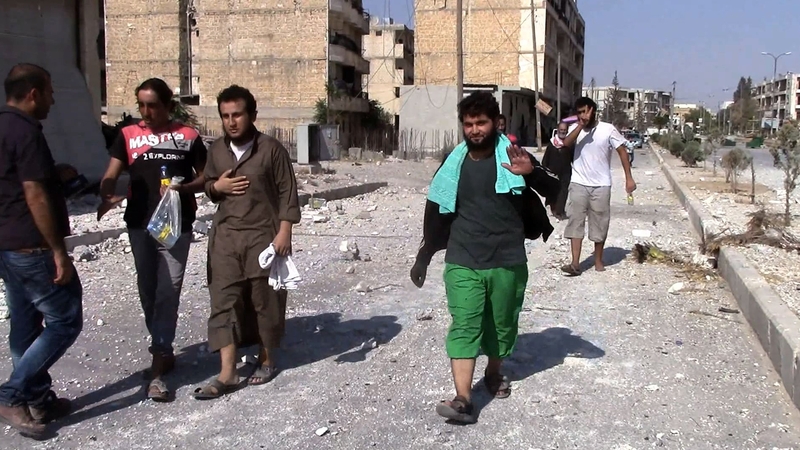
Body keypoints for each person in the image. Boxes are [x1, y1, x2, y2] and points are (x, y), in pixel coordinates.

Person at [409, 92, 558, 424]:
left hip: (507, 259)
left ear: (496, 123)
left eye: (481, 123)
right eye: (468, 124)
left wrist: (531, 172)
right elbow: (435, 213)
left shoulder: (515, 157)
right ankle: (463, 398)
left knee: (501, 325)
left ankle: (493, 371)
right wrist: (424, 255)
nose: (474, 130)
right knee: (464, 324)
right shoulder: (452, 165)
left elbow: (555, 189)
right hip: (463, 258)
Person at [98, 78, 208, 401]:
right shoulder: (128, 135)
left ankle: (158, 366)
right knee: (148, 289)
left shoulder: (187, 137)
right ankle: (164, 345)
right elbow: (112, 171)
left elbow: (205, 177)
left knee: (169, 290)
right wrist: (107, 191)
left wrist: (183, 188)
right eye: (141, 105)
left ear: (168, 106)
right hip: (139, 225)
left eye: (153, 105)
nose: (146, 112)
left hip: (176, 226)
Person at [193, 85, 300, 400]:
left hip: (262, 237)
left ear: (252, 115)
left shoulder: (270, 149)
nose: (231, 121)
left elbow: (287, 193)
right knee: (222, 302)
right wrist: (218, 186)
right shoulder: (216, 151)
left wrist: (285, 232)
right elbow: (209, 187)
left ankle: (266, 358)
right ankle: (228, 372)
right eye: (225, 116)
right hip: (225, 237)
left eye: (237, 114)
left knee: (263, 302)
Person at [0, 63, 82, 436]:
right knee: (65, 319)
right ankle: (13, 394)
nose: (52, 99)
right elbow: (33, 194)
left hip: (7, 244)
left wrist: (55, 173)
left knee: (26, 320)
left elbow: (20, 182)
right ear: (33, 93)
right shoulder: (26, 131)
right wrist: (58, 251)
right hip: (32, 246)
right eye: (49, 91)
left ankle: (38, 398)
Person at [559, 97, 636, 275]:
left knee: (600, 223)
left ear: (593, 110)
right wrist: (579, 126)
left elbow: (622, 152)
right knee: (575, 221)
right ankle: (575, 263)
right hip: (578, 182)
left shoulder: (607, 129)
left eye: (585, 111)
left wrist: (629, 178)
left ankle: (598, 260)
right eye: (579, 112)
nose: (582, 115)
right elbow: (565, 144)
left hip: (601, 185)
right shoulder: (574, 129)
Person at [541, 120, 573, 220]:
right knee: (553, 191)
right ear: (557, 130)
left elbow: (573, 158)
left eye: (564, 130)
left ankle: (560, 211)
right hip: (553, 173)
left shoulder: (569, 144)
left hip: (566, 173)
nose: (563, 132)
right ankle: (553, 209)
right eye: (561, 130)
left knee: (563, 192)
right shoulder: (552, 145)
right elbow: (545, 160)